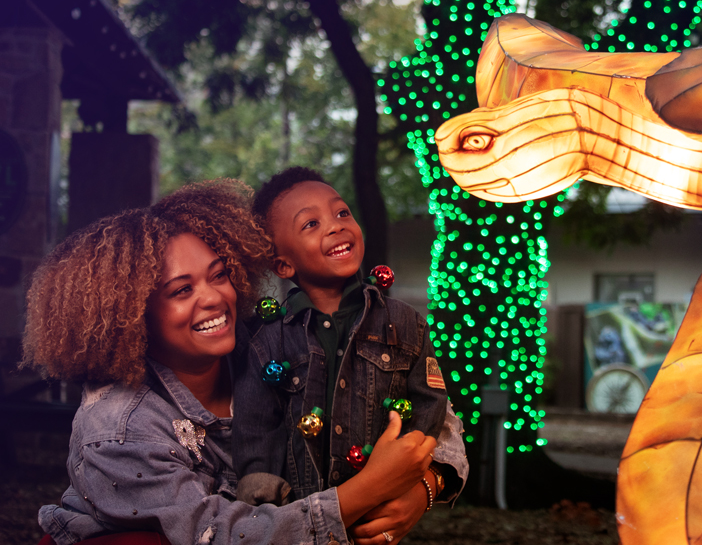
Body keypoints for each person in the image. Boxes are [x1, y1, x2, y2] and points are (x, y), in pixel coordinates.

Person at [22, 180, 446, 545]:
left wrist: (425, 487)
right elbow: (221, 535)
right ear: (133, 315)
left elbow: (426, 406)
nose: (214, 298)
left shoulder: (269, 340)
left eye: (219, 274)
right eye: (181, 290)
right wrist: (367, 492)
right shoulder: (116, 432)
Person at [232, 167, 465, 535]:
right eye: (310, 224)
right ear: (283, 264)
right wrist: (263, 494)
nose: (336, 225)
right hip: (299, 522)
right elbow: (256, 424)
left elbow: (429, 402)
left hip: (376, 520)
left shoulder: (405, 324)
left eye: (342, 213)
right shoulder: (268, 339)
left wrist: (408, 475)